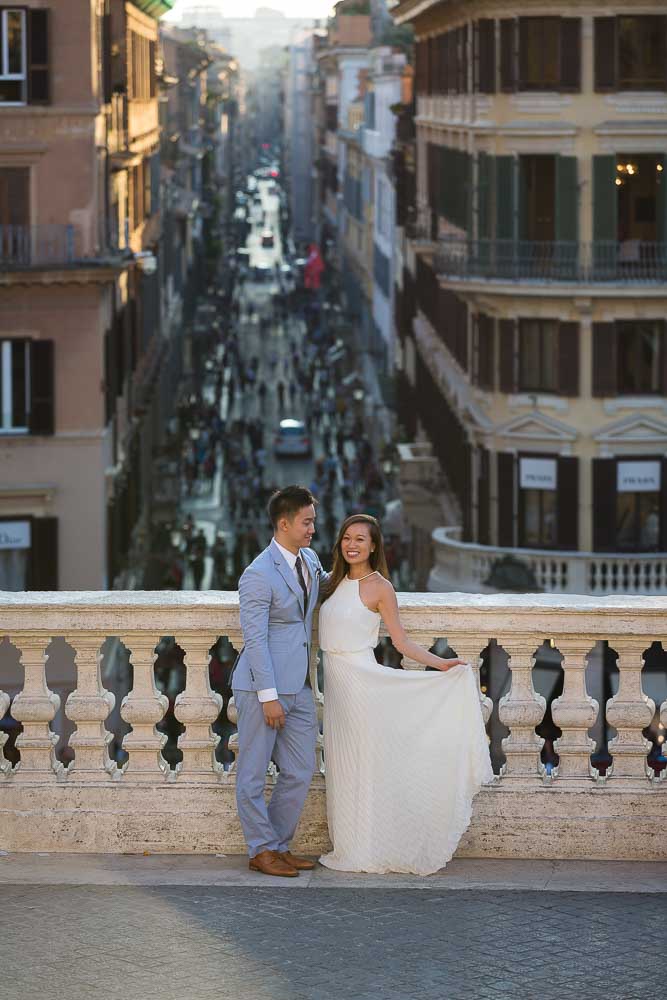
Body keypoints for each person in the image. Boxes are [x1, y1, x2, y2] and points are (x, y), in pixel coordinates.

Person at [317, 513, 494, 875]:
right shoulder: (332, 582)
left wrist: (440, 664)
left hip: (361, 681)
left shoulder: (379, 586)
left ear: (374, 546)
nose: (352, 544)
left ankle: (367, 849)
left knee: (364, 764)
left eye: (360, 539)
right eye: (347, 538)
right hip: (336, 683)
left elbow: (400, 641)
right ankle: (351, 845)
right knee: (344, 765)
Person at [232, 485, 330, 877]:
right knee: (253, 774)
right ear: (284, 523)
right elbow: (254, 639)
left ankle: (277, 844)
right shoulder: (256, 575)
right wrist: (267, 695)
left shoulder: (309, 559)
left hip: (302, 685)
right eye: (307, 523)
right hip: (262, 688)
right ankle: (261, 850)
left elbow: (327, 586)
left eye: (313, 522)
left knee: (301, 770)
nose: (312, 529)